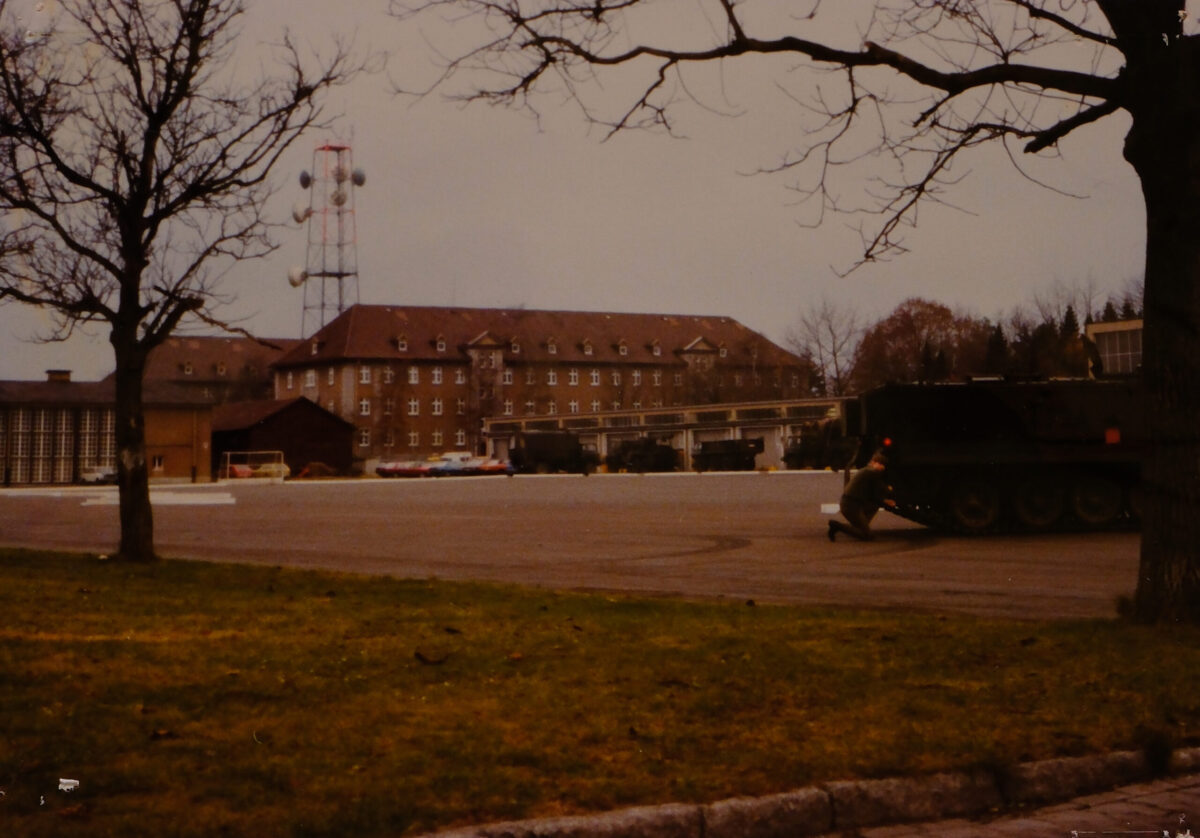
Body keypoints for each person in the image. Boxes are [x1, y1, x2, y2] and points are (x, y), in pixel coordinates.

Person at [828, 450, 894, 542]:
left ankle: (861, 526)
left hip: (854, 504)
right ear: (873, 463)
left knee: (874, 507)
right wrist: (889, 489)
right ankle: (836, 526)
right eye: (880, 464)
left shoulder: (867, 471)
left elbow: (874, 494)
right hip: (851, 506)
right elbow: (882, 489)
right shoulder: (871, 472)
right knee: (866, 535)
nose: (882, 467)